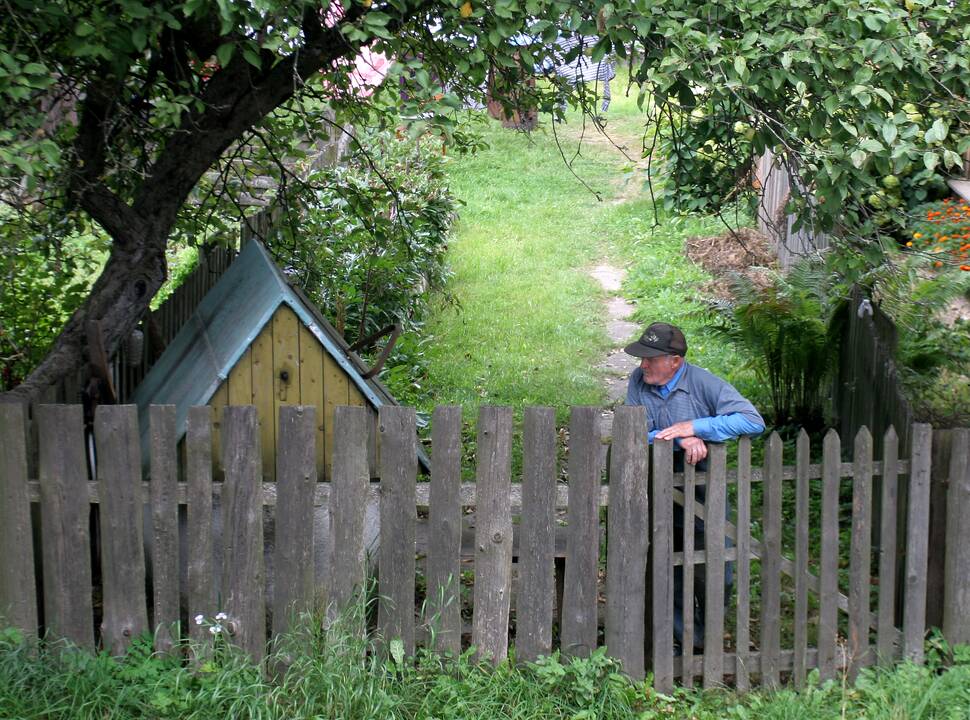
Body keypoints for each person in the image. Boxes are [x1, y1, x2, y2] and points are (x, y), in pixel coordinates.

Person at [624, 321, 764, 653]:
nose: (643, 365)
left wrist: (695, 426)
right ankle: (679, 641)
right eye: (643, 358)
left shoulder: (703, 384)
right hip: (659, 489)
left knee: (717, 573)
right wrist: (677, 437)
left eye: (651, 359)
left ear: (675, 361)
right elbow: (632, 433)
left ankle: (704, 637)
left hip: (704, 493)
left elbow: (752, 420)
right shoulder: (638, 381)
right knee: (667, 568)